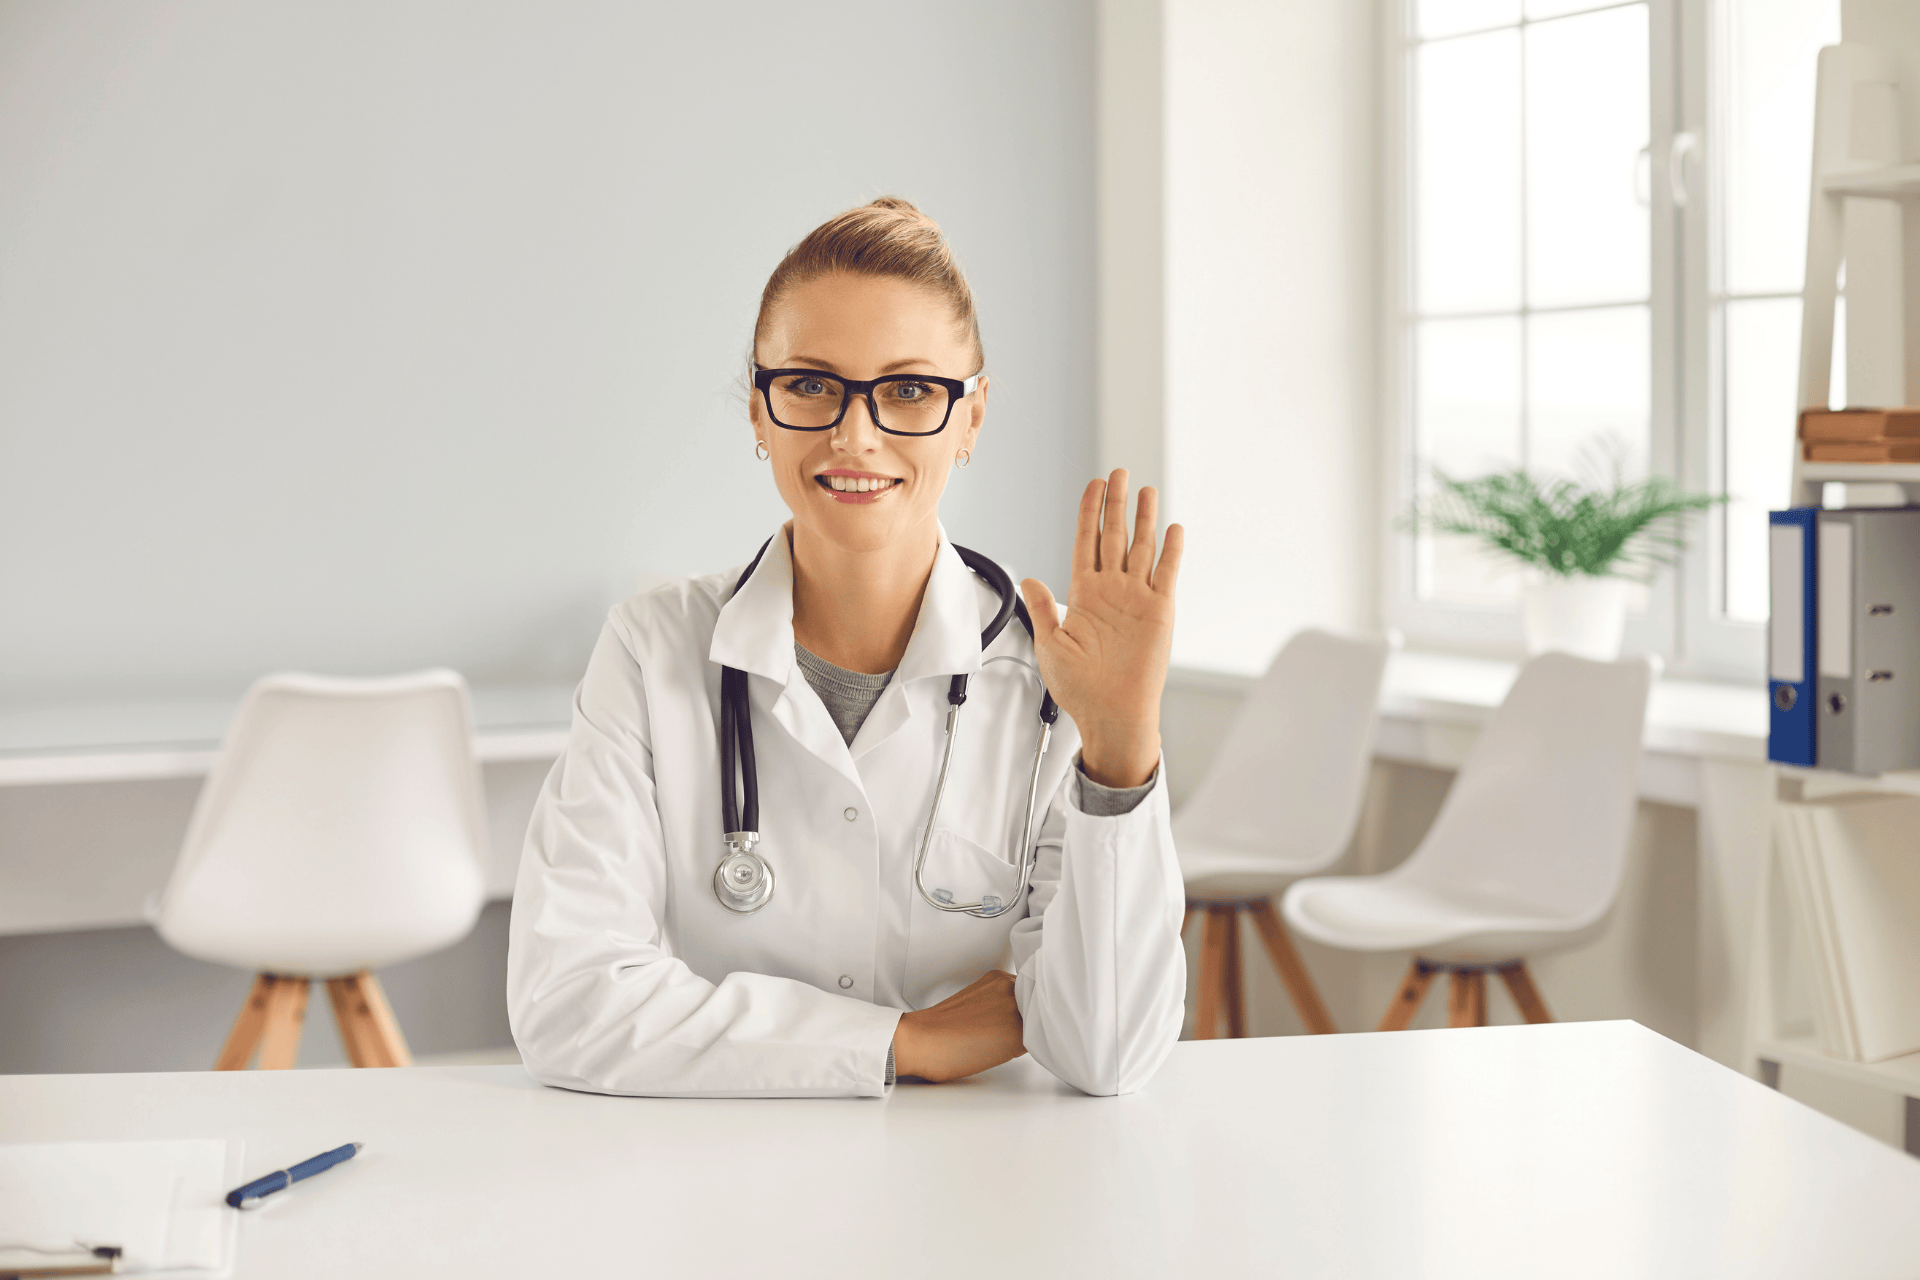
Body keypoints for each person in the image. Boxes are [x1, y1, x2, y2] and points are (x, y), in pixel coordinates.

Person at [506, 197, 1186, 1098]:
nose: (853, 434)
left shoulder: (1059, 674)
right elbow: (569, 1001)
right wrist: (901, 1042)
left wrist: (1122, 748)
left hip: (984, 1192)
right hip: (719, 1187)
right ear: (759, 409)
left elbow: (1106, 1055)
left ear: (971, 418)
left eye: (909, 390)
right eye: (811, 384)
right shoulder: (654, 649)